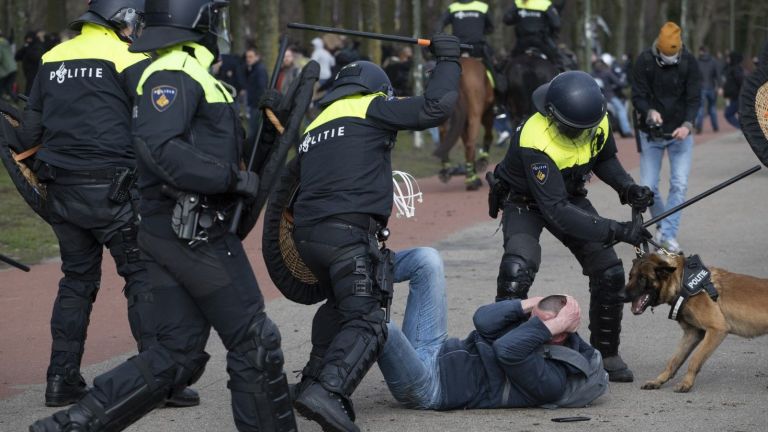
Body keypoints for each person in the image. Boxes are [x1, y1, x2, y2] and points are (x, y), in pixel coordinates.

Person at [29, 1, 298, 431]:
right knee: (255, 342)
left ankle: (68, 425)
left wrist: (268, 133)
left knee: (175, 355)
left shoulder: (189, 70)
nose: (221, 27)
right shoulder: (172, 72)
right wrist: (230, 178)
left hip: (175, 230)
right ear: (192, 20)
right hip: (193, 234)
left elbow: (214, 155)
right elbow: (159, 148)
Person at [14, 0, 197, 410]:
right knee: (142, 278)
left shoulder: (52, 57)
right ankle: (156, 381)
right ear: (124, 19)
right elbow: (154, 124)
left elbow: (29, 132)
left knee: (76, 282)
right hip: (118, 191)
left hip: (62, 191)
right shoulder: (129, 56)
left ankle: (60, 379)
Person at [289, 35, 461, 432]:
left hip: (307, 237)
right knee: (367, 317)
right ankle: (329, 390)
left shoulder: (316, 123)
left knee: (340, 302)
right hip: (347, 233)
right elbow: (437, 106)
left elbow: (289, 187)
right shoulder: (371, 106)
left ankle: (311, 382)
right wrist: (448, 59)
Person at [488, 70, 655, 383]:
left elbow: (604, 160)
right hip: (525, 201)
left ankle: (606, 353)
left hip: (568, 194)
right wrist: (618, 230)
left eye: (586, 130)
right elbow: (557, 212)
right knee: (517, 269)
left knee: (609, 271)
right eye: (573, 130)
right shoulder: (534, 138)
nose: (581, 135)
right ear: (552, 116)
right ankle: (497, 355)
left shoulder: (597, 121)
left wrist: (628, 188)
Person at [377, 248, 607, 410]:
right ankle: (351, 272)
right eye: (532, 319)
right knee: (427, 260)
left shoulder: (554, 379)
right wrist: (529, 304)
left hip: (429, 388)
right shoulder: (534, 325)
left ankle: (339, 376)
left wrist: (549, 325)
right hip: (434, 350)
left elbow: (506, 349)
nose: (530, 323)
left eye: (539, 324)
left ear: (558, 335)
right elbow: (482, 319)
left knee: (378, 323)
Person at [631, 22, 701, 253]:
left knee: (679, 184)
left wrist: (688, 125)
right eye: (665, 55)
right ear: (658, 49)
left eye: (674, 55)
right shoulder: (644, 62)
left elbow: (694, 99)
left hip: (680, 133)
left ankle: (668, 235)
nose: (670, 59)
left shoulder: (690, 63)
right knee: (648, 187)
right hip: (651, 134)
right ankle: (663, 224)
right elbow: (637, 96)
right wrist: (649, 112)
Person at [438, 1, 503, 94]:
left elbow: (440, 24)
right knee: (492, 69)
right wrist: (479, 31)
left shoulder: (453, 7)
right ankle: (499, 98)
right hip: (477, 48)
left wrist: (438, 37)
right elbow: (491, 27)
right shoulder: (483, 7)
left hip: (457, 49)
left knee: (441, 69)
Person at [503, 0, 562, 70]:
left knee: (508, 63)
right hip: (542, 42)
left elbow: (507, 20)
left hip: (522, 43)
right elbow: (556, 24)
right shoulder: (545, 4)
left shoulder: (518, 3)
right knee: (557, 61)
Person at [593, 54, 632, 137]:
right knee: (621, 109)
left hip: (596, 97)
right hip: (609, 97)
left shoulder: (592, 73)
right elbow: (619, 83)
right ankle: (626, 131)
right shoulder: (607, 72)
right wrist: (626, 83)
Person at [695, 46, 720, 134]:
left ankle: (699, 127)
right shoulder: (713, 61)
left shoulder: (697, 62)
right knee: (712, 107)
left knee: (700, 108)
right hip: (711, 87)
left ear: (700, 51)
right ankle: (715, 127)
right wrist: (719, 86)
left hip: (701, 87)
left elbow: (694, 76)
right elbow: (717, 74)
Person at [243, 46, 267, 136]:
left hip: (256, 105)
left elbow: (262, 87)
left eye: (250, 57)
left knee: (253, 130)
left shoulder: (260, 69)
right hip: (253, 104)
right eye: (247, 57)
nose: (248, 59)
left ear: (257, 57)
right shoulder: (253, 68)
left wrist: (258, 103)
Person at [14, 30, 45, 95]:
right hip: (28, 72)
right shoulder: (27, 46)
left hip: (35, 71)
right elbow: (17, 56)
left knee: (31, 88)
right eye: (27, 39)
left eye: (30, 38)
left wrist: (28, 49)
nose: (28, 40)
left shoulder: (37, 46)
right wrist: (25, 48)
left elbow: (36, 57)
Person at [722, 51, 744, 130]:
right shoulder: (731, 68)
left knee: (728, 114)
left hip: (737, 96)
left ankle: (742, 128)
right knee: (738, 114)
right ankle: (742, 128)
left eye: (729, 58)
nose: (727, 59)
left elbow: (741, 82)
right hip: (733, 96)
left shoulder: (736, 69)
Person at [0, 31, 16, 99]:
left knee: (5, 87)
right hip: (13, 68)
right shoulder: (6, 42)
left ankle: (15, 100)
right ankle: (15, 99)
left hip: (5, 70)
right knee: (8, 87)